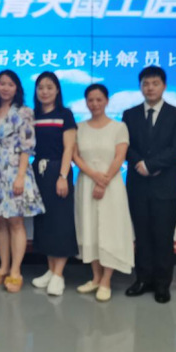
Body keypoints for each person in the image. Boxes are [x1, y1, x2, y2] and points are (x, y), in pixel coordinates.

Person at [122, 66, 176, 304]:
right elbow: (124, 145)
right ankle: (142, 280)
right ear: (140, 87)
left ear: (164, 86)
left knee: (163, 236)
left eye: (155, 83)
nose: (150, 88)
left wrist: (151, 165)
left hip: (165, 186)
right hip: (138, 185)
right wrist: (138, 163)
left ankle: (162, 284)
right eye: (146, 84)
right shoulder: (129, 115)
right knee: (142, 235)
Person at [0, 70, 44, 294]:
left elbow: (27, 147)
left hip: (15, 171)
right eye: (2, 83)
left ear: (17, 87)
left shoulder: (25, 112)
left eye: (10, 84)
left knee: (16, 222)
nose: (5, 88)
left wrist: (20, 176)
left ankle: (16, 270)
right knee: (0, 221)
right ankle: (3, 266)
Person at [73, 84, 135, 302]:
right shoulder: (79, 127)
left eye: (99, 99)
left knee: (110, 230)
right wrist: (94, 176)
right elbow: (76, 156)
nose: (95, 104)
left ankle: (107, 280)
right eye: (91, 100)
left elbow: (120, 156)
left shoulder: (119, 127)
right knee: (89, 229)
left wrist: (104, 180)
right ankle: (96, 277)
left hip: (111, 186)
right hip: (86, 184)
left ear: (107, 101)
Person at [30, 72, 78, 297]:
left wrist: (62, 176)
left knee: (61, 223)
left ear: (57, 90)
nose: (45, 91)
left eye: (49, 87)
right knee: (44, 222)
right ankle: (50, 270)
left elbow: (69, 148)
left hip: (58, 171)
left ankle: (59, 274)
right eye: (41, 87)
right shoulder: (33, 115)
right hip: (37, 173)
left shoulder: (64, 114)